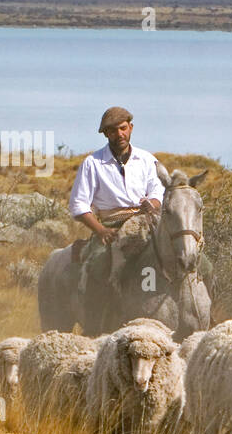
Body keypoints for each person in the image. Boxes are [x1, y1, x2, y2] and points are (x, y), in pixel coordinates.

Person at [67, 106, 164, 329]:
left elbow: (157, 190)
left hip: (146, 221)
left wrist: (153, 204)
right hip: (111, 224)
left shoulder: (147, 159)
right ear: (105, 134)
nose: (119, 134)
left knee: (185, 257)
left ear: (130, 128)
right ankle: (95, 321)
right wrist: (100, 230)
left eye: (122, 128)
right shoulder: (93, 163)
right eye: (112, 130)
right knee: (98, 266)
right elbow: (78, 204)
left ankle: (197, 315)